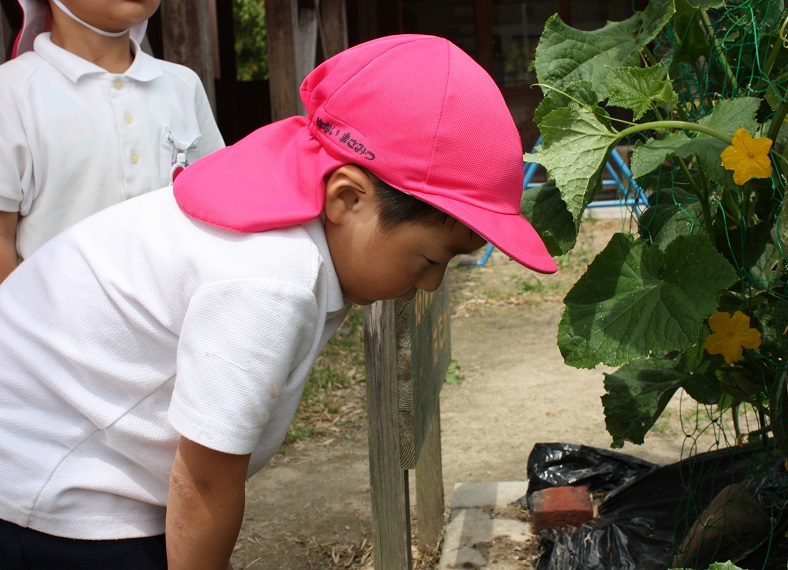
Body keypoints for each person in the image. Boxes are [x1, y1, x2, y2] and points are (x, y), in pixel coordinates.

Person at [0, 34, 558, 569]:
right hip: (55, 496)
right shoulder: (269, 278)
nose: (432, 284)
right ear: (346, 197)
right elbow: (203, 482)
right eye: (430, 261)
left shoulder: (284, 193)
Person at [0, 0, 225, 281]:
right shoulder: (12, 90)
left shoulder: (183, 85)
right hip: (57, 322)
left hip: (177, 320)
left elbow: (218, 208)